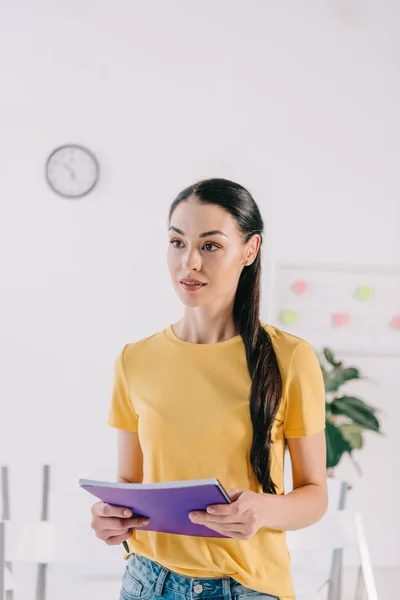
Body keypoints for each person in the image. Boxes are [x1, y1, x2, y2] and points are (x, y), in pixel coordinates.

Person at [90, 178, 327, 600]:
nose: (190, 263)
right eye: (177, 243)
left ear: (249, 251)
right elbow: (130, 481)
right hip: (148, 583)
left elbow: (315, 496)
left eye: (211, 246)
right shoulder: (134, 360)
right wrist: (112, 519)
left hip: (247, 588)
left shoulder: (289, 358)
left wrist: (264, 509)